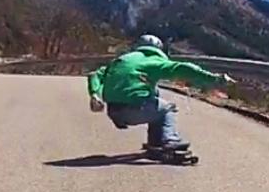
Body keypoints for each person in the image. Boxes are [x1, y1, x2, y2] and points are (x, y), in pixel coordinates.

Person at [87, 34, 234, 150]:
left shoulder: (121, 60)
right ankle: (168, 140)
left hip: (113, 111)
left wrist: (95, 94)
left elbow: (96, 74)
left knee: (154, 95)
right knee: (168, 108)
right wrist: (215, 79)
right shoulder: (153, 60)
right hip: (133, 110)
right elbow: (183, 68)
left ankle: (155, 141)